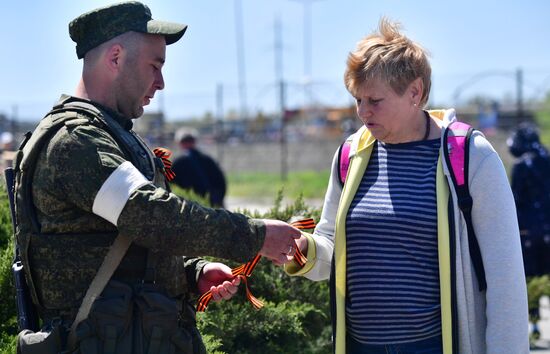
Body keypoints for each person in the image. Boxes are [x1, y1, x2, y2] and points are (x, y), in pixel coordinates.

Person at [12, 2, 300, 353]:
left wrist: (193, 272)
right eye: (155, 66)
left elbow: (130, 241)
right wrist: (257, 236)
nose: (161, 83)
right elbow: (152, 217)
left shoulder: (109, 134)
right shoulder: (75, 141)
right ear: (115, 57)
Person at [285, 18, 529, 354]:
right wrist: (300, 249)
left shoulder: (471, 157)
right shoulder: (350, 155)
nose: (362, 112)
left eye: (374, 100)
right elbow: (330, 253)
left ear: (415, 92)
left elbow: (505, 281)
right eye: (357, 100)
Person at [508, 122, 550, 340]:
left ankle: (533, 325)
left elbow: (515, 200)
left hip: (528, 234)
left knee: (530, 278)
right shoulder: (547, 160)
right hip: (547, 229)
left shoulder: (521, 166)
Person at [172, 128, 227, 207]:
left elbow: (171, 185)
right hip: (212, 203)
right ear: (195, 141)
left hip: (189, 206)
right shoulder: (207, 159)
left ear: (179, 143)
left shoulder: (177, 162)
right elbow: (221, 182)